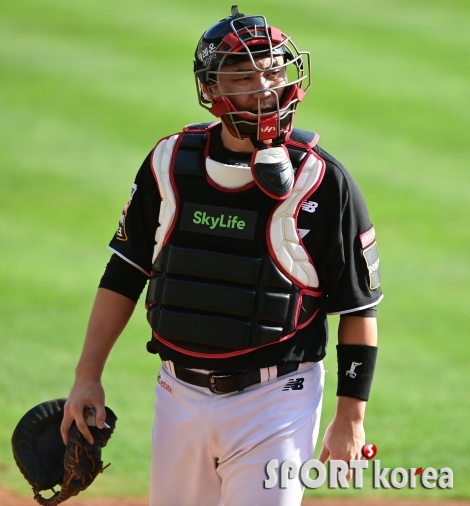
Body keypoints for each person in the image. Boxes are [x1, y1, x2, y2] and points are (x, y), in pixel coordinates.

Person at [61, 5, 383, 506]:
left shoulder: (323, 180)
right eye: (242, 75)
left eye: (272, 69)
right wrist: (88, 375)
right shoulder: (170, 163)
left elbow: (359, 308)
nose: (263, 86)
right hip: (177, 397)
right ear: (212, 90)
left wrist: (350, 419)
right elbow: (124, 271)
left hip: (277, 403)